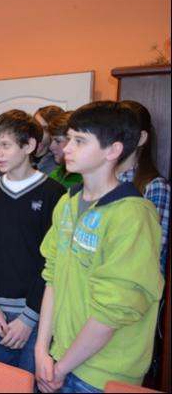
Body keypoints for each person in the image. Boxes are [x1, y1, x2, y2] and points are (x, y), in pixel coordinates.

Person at [35, 101, 164, 393]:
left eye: (80, 141)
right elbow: (52, 277)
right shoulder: (67, 203)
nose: (67, 148)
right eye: (69, 139)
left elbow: (113, 310)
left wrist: (61, 367)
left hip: (103, 373)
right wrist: (42, 349)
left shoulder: (134, 215)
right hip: (58, 356)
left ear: (113, 150)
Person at [0, 109, 64, 374]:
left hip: (36, 314)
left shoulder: (55, 194)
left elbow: (52, 262)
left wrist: (29, 317)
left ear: (29, 146)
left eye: (5, 145)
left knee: (30, 383)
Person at [115, 100, 169, 275]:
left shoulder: (155, 186)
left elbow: (152, 253)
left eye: (119, 132)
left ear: (141, 138)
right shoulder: (101, 179)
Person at [46, 112, 83, 189]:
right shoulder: (55, 174)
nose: (51, 147)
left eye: (58, 141)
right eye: (51, 140)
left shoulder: (85, 178)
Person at [33, 105, 65, 175]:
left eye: (45, 129)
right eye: (35, 126)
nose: (37, 132)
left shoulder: (57, 164)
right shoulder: (20, 153)